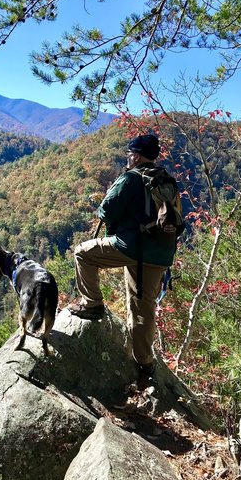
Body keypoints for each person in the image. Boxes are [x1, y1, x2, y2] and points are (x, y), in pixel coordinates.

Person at [68, 134, 178, 387]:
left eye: (129, 154)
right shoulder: (166, 180)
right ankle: (144, 363)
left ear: (136, 156)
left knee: (83, 253)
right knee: (143, 308)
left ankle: (92, 303)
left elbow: (106, 211)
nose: (127, 158)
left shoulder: (131, 178)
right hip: (160, 253)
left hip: (133, 248)